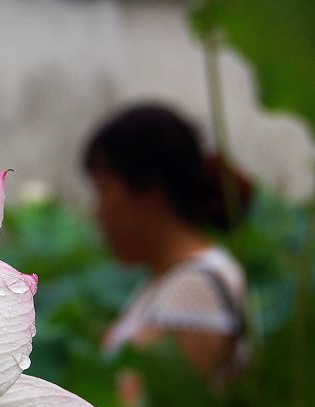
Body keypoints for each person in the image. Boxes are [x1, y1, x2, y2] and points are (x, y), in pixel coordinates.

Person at [82, 103, 252, 386]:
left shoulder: (196, 288)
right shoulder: (172, 278)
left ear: (150, 190)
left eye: (103, 189)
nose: (97, 212)